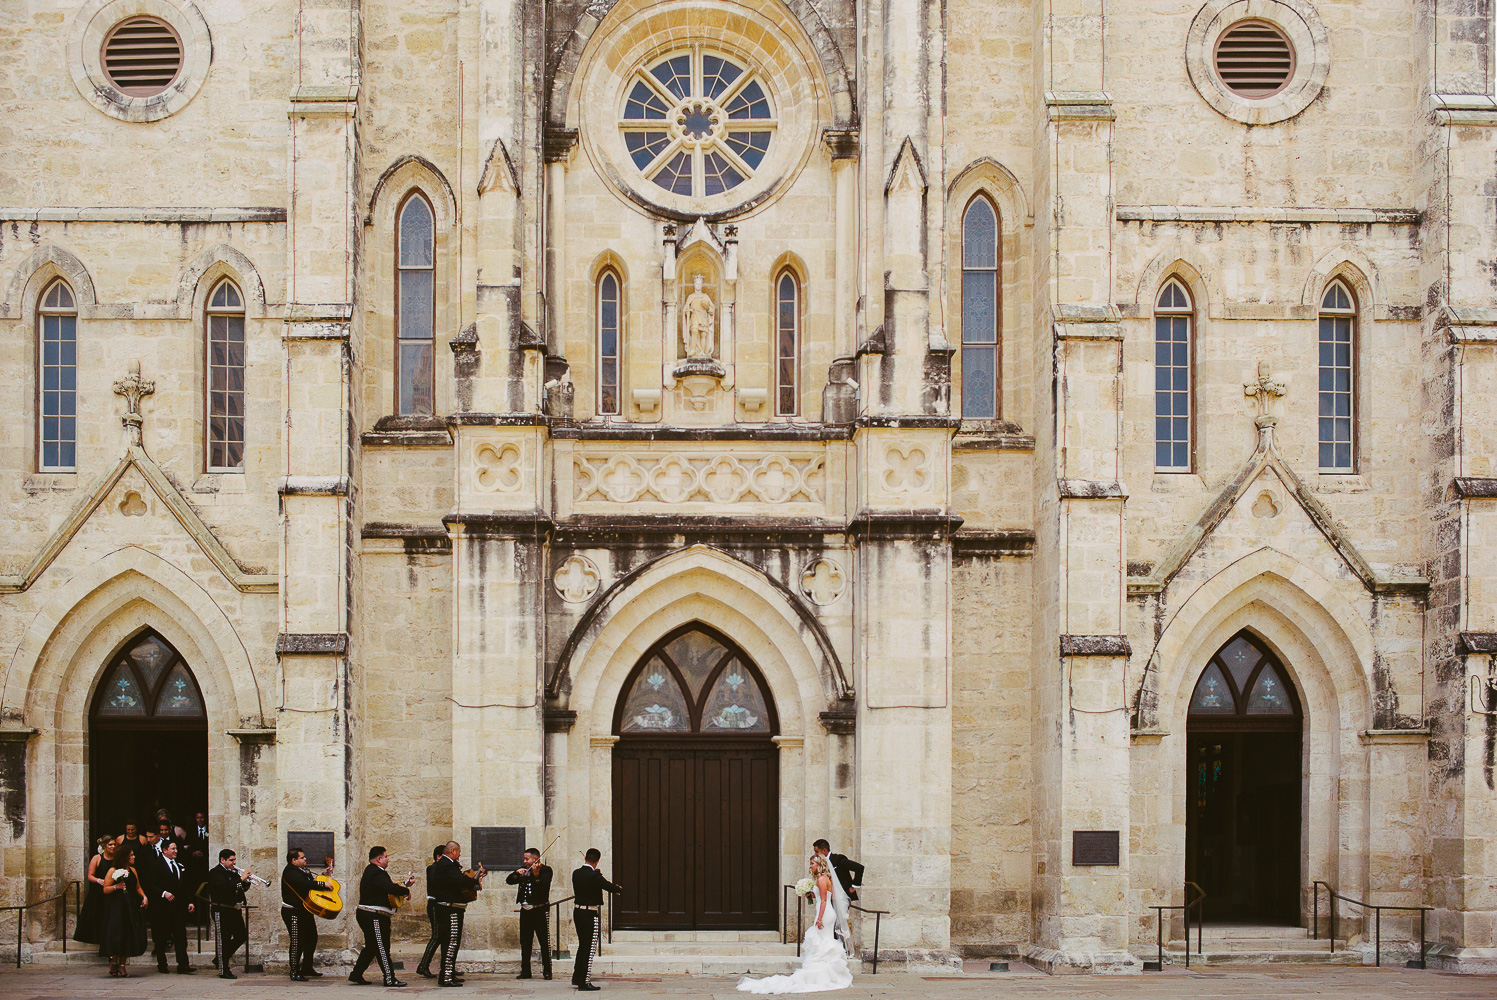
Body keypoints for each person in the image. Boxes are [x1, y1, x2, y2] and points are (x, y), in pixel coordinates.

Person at [737, 855, 851, 994]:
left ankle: (821, 975)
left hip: (825, 914)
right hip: (828, 913)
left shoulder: (821, 880)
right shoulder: (827, 879)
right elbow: (829, 896)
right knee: (824, 941)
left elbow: (825, 901)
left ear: (820, 864)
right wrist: (812, 894)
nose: (811, 866)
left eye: (813, 863)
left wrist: (819, 918)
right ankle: (827, 973)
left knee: (821, 941)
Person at [349, 846, 414, 987]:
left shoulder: (374, 872)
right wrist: (405, 890)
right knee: (382, 947)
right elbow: (390, 888)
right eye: (386, 856)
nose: (388, 859)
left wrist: (405, 885)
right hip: (374, 916)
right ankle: (389, 978)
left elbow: (386, 888)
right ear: (379, 859)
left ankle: (356, 974)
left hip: (371, 915)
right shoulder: (376, 872)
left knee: (372, 947)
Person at [428, 840, 484, 988]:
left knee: (452, 942)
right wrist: (474, 881)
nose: (459, 855)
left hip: (452, 908)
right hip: (449, 910)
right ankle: (446, 976)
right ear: (453, 851)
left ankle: (449, 973)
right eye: (458, 852)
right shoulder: (446, 865)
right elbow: (459, 880)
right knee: (451, 942)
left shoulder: (447, 865)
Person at [570, 849, 620, 992]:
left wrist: (596, 874)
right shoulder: (595, 875)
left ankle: (577, 976)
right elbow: (609, 887)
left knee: (582, 945)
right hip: (589, 914)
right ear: (597, 861)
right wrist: (618, 888)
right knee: (589, 948)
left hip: (578, 912)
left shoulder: (576, 873)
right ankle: (584, 981)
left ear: (585, 858)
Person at [282, 848, 334, 982]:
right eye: (302, 858)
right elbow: (304, 884)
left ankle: (307, 967)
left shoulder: (302, 871)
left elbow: (309, 884)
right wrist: (323, 884)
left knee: (311, 938)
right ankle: (294, 971)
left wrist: (323, 875)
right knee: (297, 941)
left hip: (304, 910)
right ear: (294, 860)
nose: (305, 859)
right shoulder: (289, 871)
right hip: (292, 911)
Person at [99, 845, 149, 977]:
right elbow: (105, 889)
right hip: (117, 907)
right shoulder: (112, 870)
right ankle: (113, 961)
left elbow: (137, 886)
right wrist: (116, 886)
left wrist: (144, 897)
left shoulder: (133, 870)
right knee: (117, 934)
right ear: (125, 857)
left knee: (128, 933)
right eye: (131, 855)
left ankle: (122, 965)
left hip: (129, 905)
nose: (134, 857)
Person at [205, 848, 255, 979]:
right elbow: (226, 887)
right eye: (231, 860)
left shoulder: (233, 872)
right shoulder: (215, 873)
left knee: (241, 936)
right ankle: (223, 969)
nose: (234, 862)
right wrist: (241, 878)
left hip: (234, 910)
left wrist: (246, 881)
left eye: (234, 860)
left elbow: (241, 888)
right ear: (223, 860)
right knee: (224, 940)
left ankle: (221, 958)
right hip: (222, 910)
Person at [507, 846, 553, 980]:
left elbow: (543, 886)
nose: (525, 861)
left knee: (544, 941)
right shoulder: (524, 870)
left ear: (535, 858)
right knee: (525, 941)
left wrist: (536, 874)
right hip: (525, 911)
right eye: (525, 858)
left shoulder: (546, 870)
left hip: (539, 910)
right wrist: (517, 873)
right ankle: (525, 970)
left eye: (527, 859)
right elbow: (509, 880)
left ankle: (547, 970)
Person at [152, 840, 196, 974]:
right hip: (163, 908)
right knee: (162, 936)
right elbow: (150, 884)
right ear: (164, 850)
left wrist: (190, 901)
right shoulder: (156, 865)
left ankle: (183, 964)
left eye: (176, 848)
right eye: (172, 849)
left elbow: (185, 885)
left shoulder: (179, 864)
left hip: (178, 907)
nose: (176, 851)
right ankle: (162, 964)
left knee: (180, 936)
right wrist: (163, 893)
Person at [74, 836, 116, 946]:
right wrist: (99, 880)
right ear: (104, 846)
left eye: (114, 844)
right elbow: (90, 876)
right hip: (99, 893)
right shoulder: (97, 858)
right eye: (110, 845)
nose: (113, 847)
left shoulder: (116, 858)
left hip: (113, 891)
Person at [416, 844, 448, 980]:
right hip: (435, 905)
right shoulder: (433, 868)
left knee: (445, 936)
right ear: (438, 857)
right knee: (436, 936)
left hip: (440, 905)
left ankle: (447, 967)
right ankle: (423, 966)